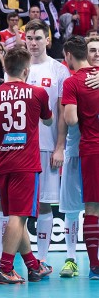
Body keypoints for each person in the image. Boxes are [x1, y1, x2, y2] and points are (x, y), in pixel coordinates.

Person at [0, 45, 52, 284]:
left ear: (5, 69)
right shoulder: (38, 93)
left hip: (2, 166)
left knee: (18, 216)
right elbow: (48, 122)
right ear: (26, 70)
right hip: (26, 164)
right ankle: (5, 268)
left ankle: (33, 266)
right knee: (19, 216)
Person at [19, 18, 69, 272]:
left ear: (48, 40)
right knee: (17, 205)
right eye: (30, 38)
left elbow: (62, 112)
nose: (34, 43)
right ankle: (20, 260)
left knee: (44, 204)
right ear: (24, 40)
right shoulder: (18, 67)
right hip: (19, 148)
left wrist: (60, 146)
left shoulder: (58, 69)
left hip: (48, 145)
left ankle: (43, 258)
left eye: (38, 38)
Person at [55, 35, 96, 279]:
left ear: (69, 56)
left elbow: (70, 120)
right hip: (81, 150)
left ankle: (93, 266)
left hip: (88, 148)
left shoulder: (72, 82)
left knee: (90, 208)